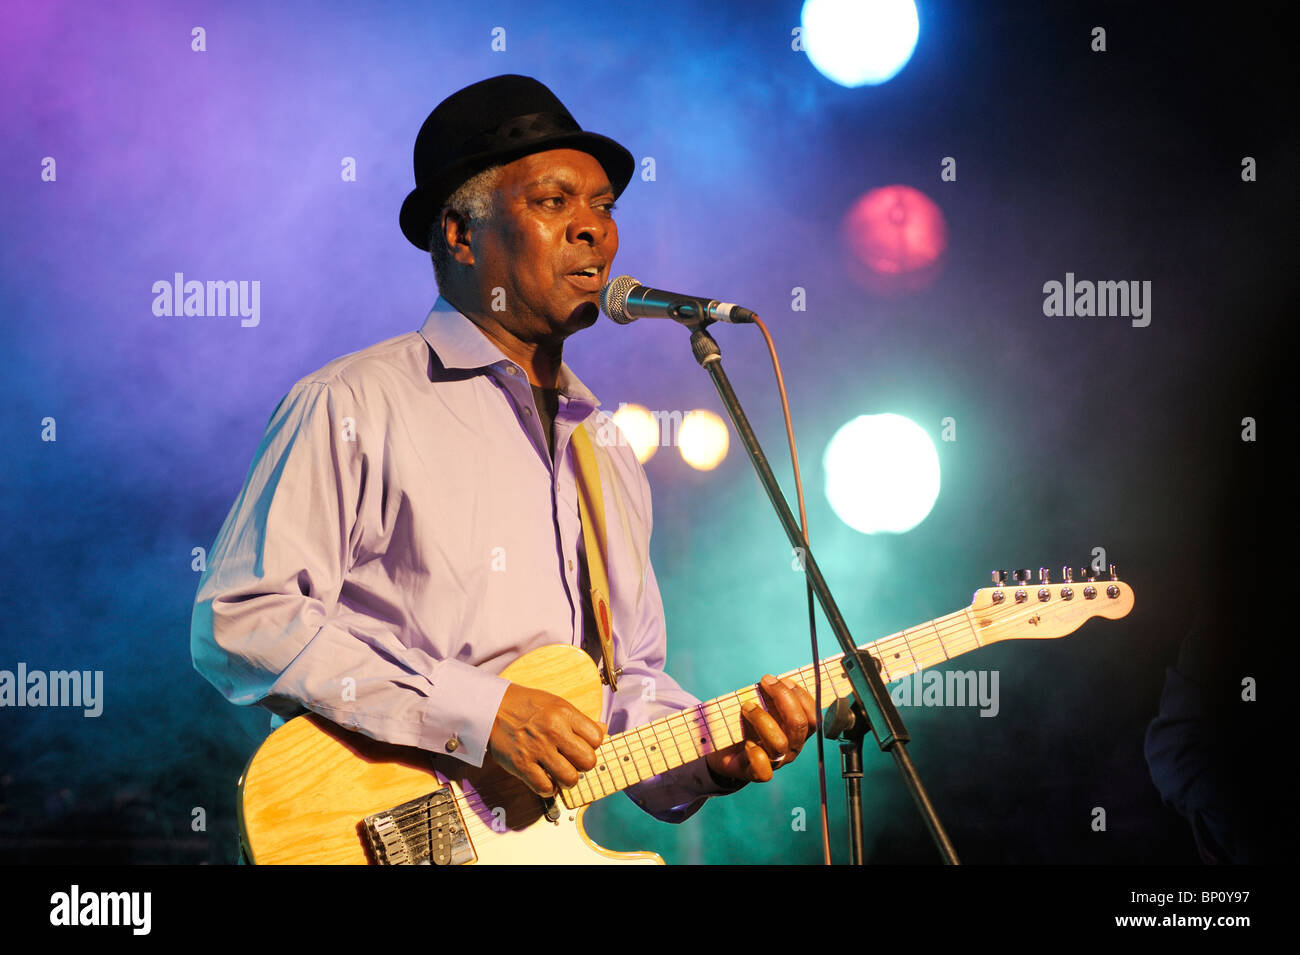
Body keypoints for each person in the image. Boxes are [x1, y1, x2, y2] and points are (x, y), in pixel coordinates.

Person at [190, 74, 815, 832]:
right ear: (460, 235)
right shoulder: (353, 403)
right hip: (375, 830)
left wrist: (710, 755)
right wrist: (478, 713)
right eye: (555, 202)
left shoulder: (605, 450)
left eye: (604, 206)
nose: (595, 229)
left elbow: (628, 690)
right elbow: (243, 620)